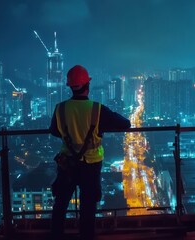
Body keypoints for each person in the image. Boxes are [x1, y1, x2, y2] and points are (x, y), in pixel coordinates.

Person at [49, 64, 131, 240]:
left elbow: (54, 131)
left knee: (61, 204)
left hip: (67, 164)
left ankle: (56, 236)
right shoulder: (97, 109)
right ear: (88, 85)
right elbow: (125, 123)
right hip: (91, 166)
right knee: (88, 208)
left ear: (70, 86)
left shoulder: (60, 108)